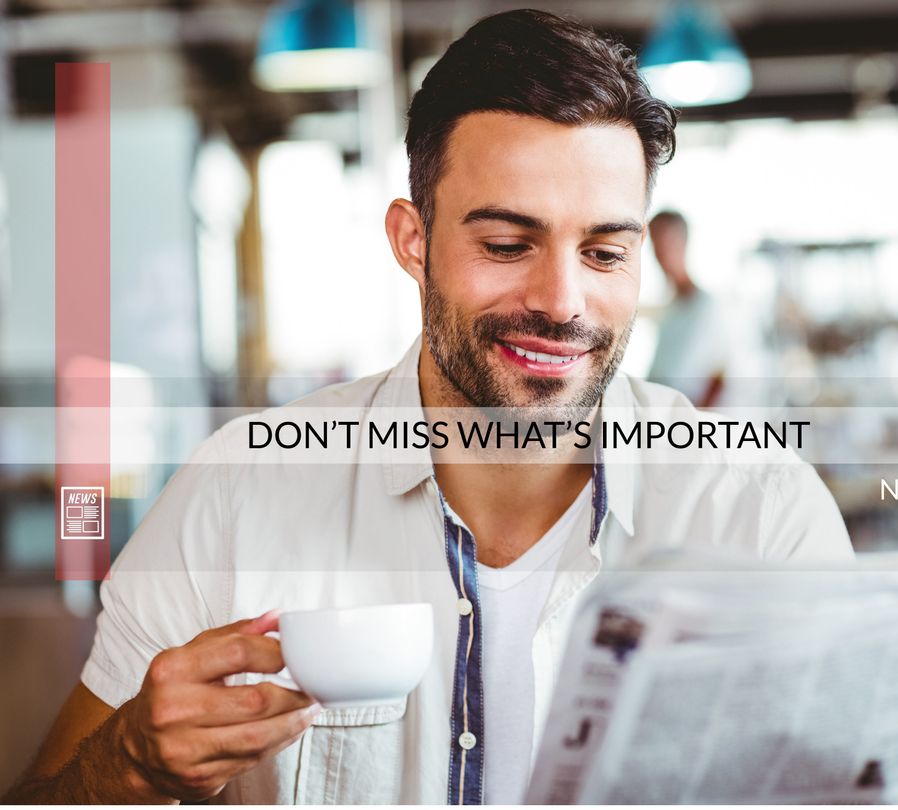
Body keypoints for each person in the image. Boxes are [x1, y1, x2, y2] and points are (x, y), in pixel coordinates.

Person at [5, 9, 852, 805]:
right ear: (414, 242)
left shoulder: (761, 516)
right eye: (507, 245)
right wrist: (128, 763)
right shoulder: (238, 492)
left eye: (603, 253)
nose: (562, 302)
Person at [646, 210, 729, 407]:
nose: (660, 253)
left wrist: (695, 419)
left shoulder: (708, 307)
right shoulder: (671, 305)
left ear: (683, 243)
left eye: (667, 243)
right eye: (655, 244)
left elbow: (721, 376)